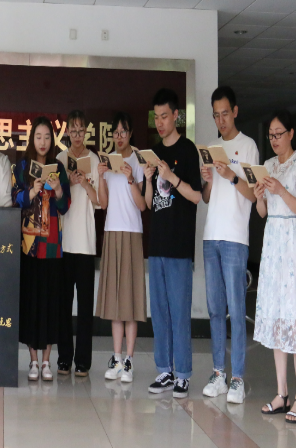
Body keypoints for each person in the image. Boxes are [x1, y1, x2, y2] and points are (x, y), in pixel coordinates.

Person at [254, 110, 296, 424]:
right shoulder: (267, 166)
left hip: (292, 242)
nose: (274, 140)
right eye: (271, 135)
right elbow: (263, 212)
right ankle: (282, 393)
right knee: (278, 315)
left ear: (291, 133)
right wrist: (259, 197)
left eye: (279, 134)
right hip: (273, 242)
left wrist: (280, 190)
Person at [200, 86, 259, 404]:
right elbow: (207, 198)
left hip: (235, 237)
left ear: (235, 111)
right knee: (214, 309)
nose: (221, 120)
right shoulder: (212, 147)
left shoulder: (248, 146)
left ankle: (237, 378)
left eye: (225, 113)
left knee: (236, 309)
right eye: (216, 115)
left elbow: (254, 194)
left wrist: (232, 176)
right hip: (211, 235)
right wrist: (209, 179)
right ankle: (218, 373)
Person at [144, 88, 202, 398]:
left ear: (176, 116)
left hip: (179, 245)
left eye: (165, 116)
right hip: (157, 244)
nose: (160, 122)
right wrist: (149, 178)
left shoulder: (188, 150)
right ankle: (164, 370)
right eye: (156, 117)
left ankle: (183, 374)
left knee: (179, 312)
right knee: (160, 312)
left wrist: (172, 176)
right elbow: (150, 203)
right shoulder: (153, 152)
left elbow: (197, 196)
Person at [12, 117, 70, 382]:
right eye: (38, 137)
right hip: (28, 246)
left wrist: (58, 190)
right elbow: (14, 199)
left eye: (47, 137)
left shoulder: (58, 167)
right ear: (32, 139)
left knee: (50, 303)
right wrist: (31, 192)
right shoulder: (23, 166)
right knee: (31, 303)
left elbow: (65, 206)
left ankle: (47, 361)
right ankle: (33, 361)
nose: (43, 142)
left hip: (52, 246)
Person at [96, 113, 147, 383]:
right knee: (115, 300)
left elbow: (142, 205)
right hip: (112, 230)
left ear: (130, 133)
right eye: (115, 132)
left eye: (123, 132)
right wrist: (100, 176)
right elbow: (103, 204)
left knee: (131, 299)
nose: (119, 136)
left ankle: (129, 360)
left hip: (132, 232)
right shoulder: (107, 161)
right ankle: (116, 358)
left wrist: (130, 178)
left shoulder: (137, 159)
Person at [55, 110, 99, 377]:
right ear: (67, 132)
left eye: (81, 130)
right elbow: (55, 201)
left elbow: (99, 202)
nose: (77, 135)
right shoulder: (60, 160)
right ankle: (64, 358)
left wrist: (85, 184)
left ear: (86, 132)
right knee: (63, 305)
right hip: (64, 242)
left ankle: (83, 361)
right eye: (73, 130)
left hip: (86, 243)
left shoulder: (94, 160)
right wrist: (68, 183)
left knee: (84, 307)